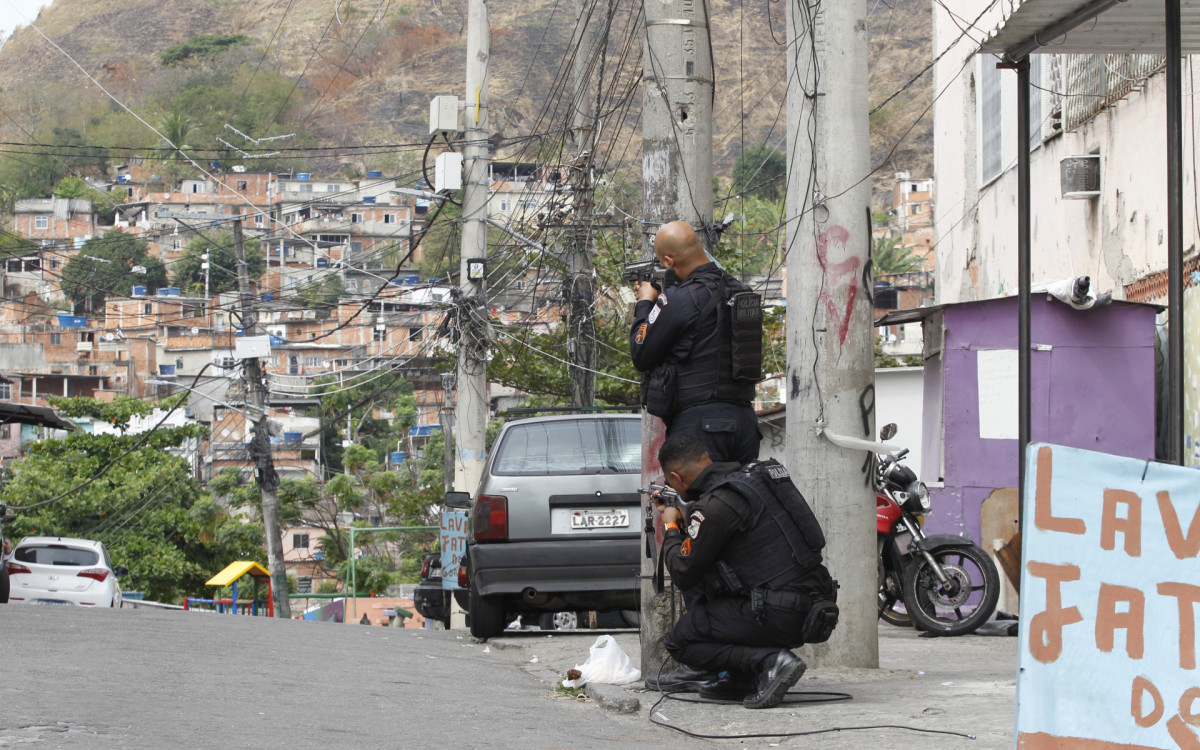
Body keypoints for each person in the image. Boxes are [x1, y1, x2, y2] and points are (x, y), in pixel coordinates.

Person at [648, 433, 838, 709]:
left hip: (776, 612)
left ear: (676, 477)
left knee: (682, 640)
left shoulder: (716, 505)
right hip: (815, 604)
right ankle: (741, 679)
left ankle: (771, 663)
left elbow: (683, 572)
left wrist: (671, 526)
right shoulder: (757, 479)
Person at [629, 221, 761, 464]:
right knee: (736, 500)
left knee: (693, 501)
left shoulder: (679, 300)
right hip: (745, 424)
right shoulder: (739, 291)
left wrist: (645, 303)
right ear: (700, 244)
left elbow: (641, 351)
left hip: (700, 427)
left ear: (669, 261)